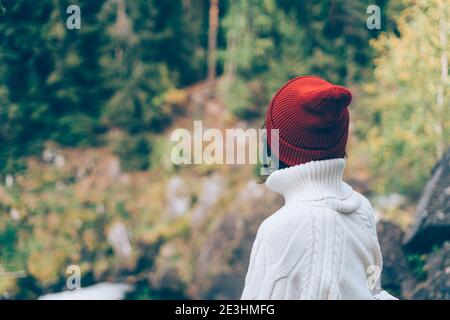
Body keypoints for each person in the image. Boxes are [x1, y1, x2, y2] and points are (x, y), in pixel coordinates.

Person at [241, 76, 397, 300]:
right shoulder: (363, 208)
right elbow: (373, 290)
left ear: (273, 145)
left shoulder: (277, 229)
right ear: (340, 142)